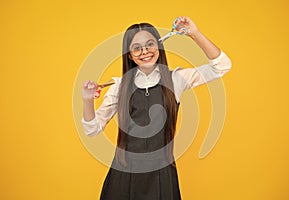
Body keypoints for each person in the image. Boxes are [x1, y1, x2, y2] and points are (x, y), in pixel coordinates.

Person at [81, 16, 231, 200]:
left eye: (150, 44)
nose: (144, 51)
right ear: (129, 55)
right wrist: (87, 100)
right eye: (136, 48)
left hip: (162, 175)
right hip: (123, 175)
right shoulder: (119, 86)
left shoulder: (176, 79)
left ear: (159, 47)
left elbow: (222, 66)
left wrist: (194, 34)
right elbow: (92, 129)